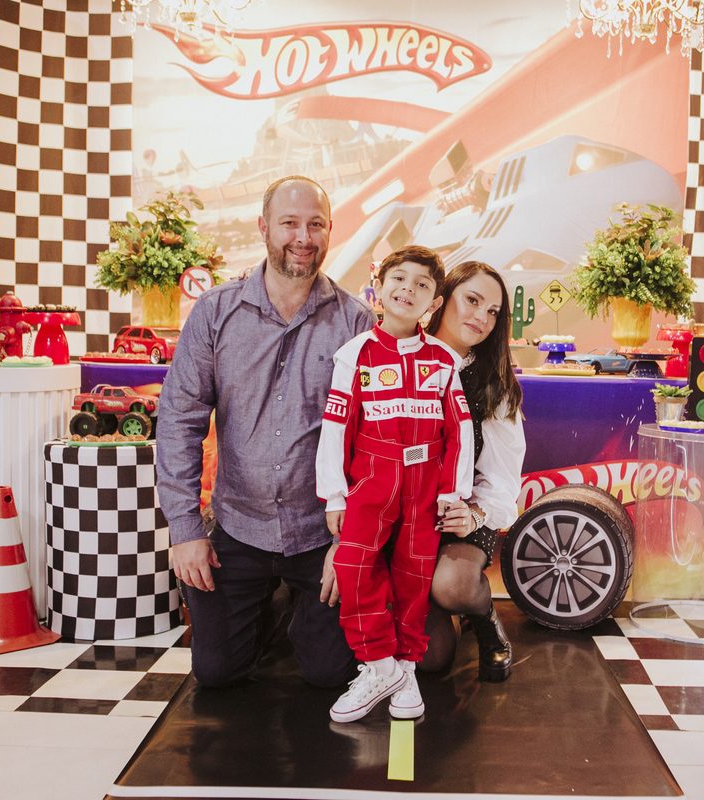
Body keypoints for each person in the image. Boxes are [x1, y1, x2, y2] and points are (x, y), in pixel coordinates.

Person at [156, 175, 375, 689]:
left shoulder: (357, 322)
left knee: (328, 674)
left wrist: (352, 544)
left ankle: (294, 605)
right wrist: (185, 531)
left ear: (329, 230)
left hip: (321, 534)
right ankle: (272, 604)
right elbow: (180, 420)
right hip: (239, 527)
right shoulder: (215, 313)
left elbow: (372, 445)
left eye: (315, 225)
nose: (303, 237)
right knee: (217, 673)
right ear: (263, 227)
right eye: (289, 223)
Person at [316, 245, 475, 723]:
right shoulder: (355, 355)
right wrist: (335, 493)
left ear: (434, 302)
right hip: (371, 479)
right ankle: (379, 664)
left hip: (426, 485)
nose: (409, 289)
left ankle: (405, 670)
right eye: (399, 279)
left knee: (414, 577)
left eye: (422, 285)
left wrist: (452, 492)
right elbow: (336, 427)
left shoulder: (443, 361)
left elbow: (459, 430)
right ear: (378, 288)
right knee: (353, 566)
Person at [421, 261, 526, 682]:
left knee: (453, 588)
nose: (481, 317)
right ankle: (437, 608)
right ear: (442, 299)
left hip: (458, 516)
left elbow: (501, 478)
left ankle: (483, 619)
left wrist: (475, 515)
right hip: (399, 513)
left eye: (493, 311)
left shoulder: (493, 383)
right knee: (429, 657)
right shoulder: (397, 356)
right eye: (472, 300)